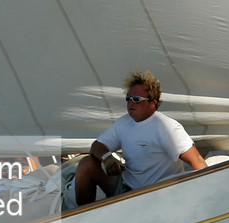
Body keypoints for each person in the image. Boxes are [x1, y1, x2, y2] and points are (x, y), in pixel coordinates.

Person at [73, 70, 208, 206]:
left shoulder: (167, 127)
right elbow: (96, 146)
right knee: (86, 164)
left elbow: (196, 160)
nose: (131, 103)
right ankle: (81, 218)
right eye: (128, 99)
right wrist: (106, 157)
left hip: (159, 194)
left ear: (153, 103)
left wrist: (208, 197)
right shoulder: (124, 123)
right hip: (127, 188)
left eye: (137, 100)